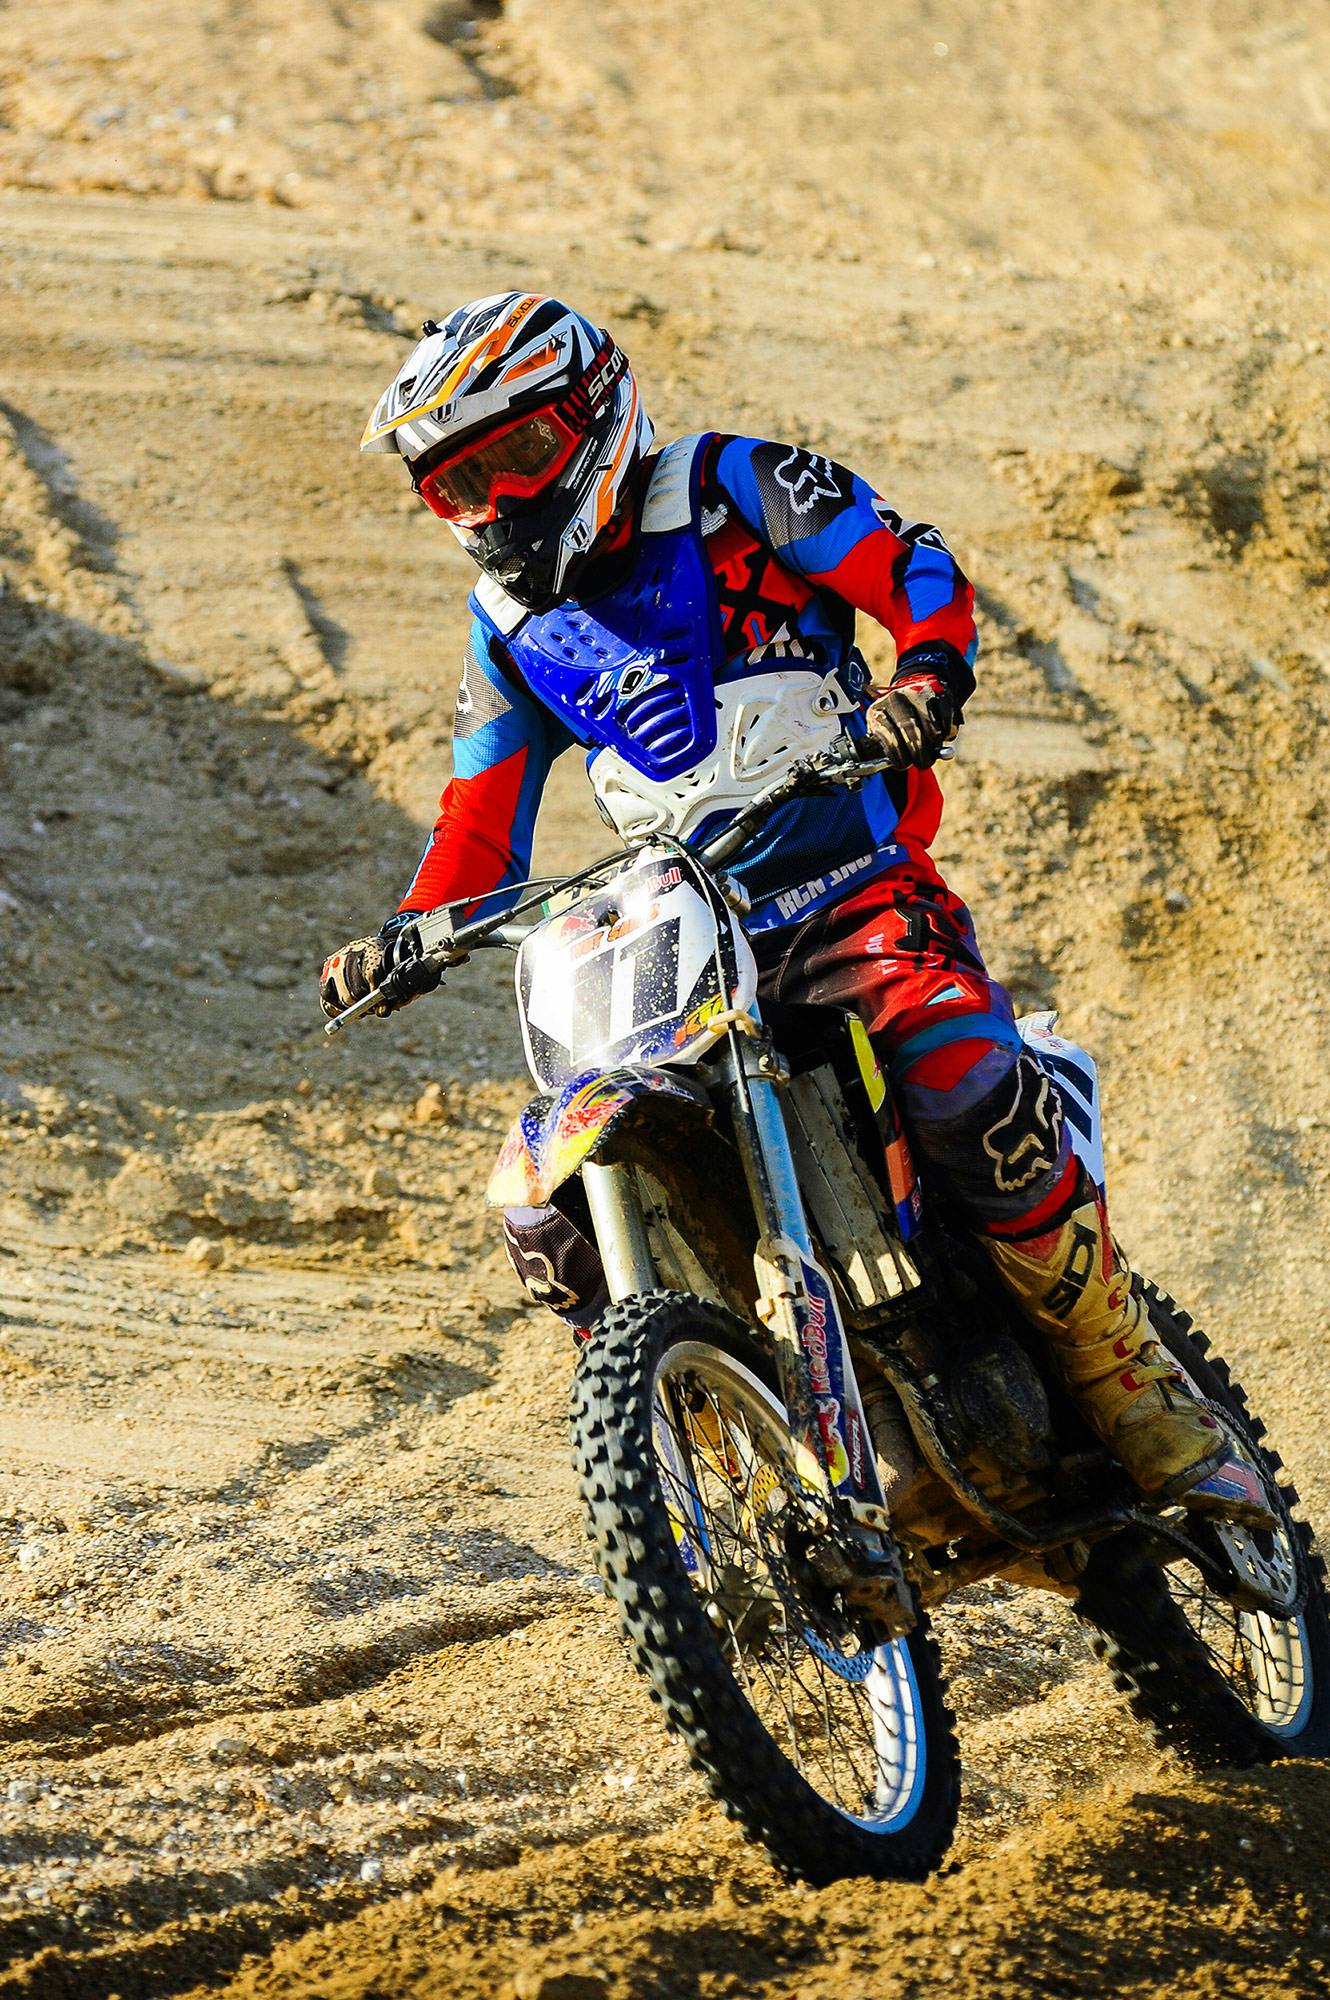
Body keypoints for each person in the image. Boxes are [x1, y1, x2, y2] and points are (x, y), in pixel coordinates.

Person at [320, 291, 1267, 1524]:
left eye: (518, 458)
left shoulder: (733, 486)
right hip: (679, 937)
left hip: (850, 885)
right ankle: (729, 1474)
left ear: (594, 414)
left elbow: (911, 564)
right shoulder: (506, 627)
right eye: (457, 485)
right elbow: (479, 821)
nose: (495, 504)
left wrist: (923, 676)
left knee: (960, 1074)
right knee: (547, 1208)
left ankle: (1129, 1379)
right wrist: (407, 929)